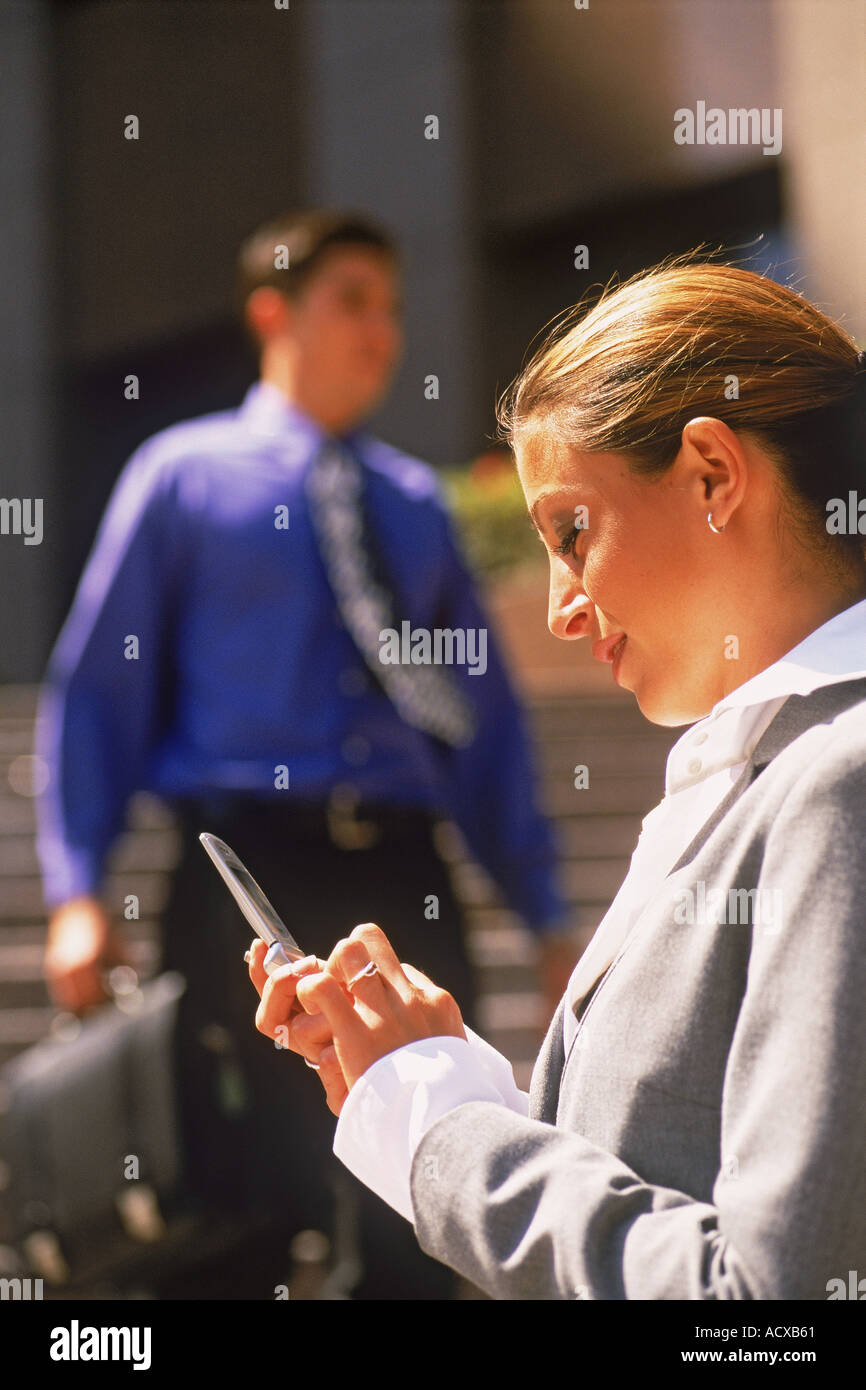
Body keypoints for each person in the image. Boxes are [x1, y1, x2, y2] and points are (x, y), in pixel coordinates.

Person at [248, 256, 866, 1299]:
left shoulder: (834, 782)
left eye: (571, 531)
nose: (558, 609)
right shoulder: (757, 773)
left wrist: (445, 1128)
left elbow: (768, 1309)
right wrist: (440, 1085)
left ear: (712, 474)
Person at [34, 208, 569, 1300]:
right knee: (235, 1211)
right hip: (241, 877)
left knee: (419, 1209)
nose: (383, 333)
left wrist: (543, 909)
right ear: (272, 310)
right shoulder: (179, 479)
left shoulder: (415, 507)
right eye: (353, 302)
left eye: (393, 309)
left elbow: (487, 726)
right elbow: (97, 694)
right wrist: (76, 887)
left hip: (404, 876)